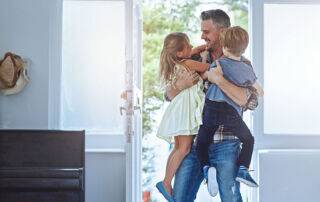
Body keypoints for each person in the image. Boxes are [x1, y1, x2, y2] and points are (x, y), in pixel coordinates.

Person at [167, 9, 259, 202]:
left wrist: (220, 80)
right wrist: (179, 86)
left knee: (231, 198)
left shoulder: (242, 64)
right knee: (180, 198)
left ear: (223, 32)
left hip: (226, 144)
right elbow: (168, 95)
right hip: (192, 145)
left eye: (207, 32)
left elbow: (251, 101)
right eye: (202, 31)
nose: (202, 36)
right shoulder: (193, 60)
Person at [196, 26, 263, 191]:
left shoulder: (218, 64)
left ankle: (206, 168)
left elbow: (204, 78)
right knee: (248, 139)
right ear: (244, 47)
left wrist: (205, 62)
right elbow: (259, 92)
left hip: (211, 107)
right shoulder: (247, 68)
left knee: (202, 142)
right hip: (230, 112)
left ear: (224, 47)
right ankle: (242, 169)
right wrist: (247, 85)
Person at [155, 32, 211, 202]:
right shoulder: (187, 63)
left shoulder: (177, 64)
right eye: (187, 46)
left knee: (177, 147)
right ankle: (165, 182)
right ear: (179, 52)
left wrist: (200, 49)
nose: (191, 47)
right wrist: (205, 56)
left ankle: (166, 180)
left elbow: (192, 53)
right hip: (185, 112)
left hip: (178, 111)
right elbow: (208, 68)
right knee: (184, 149)